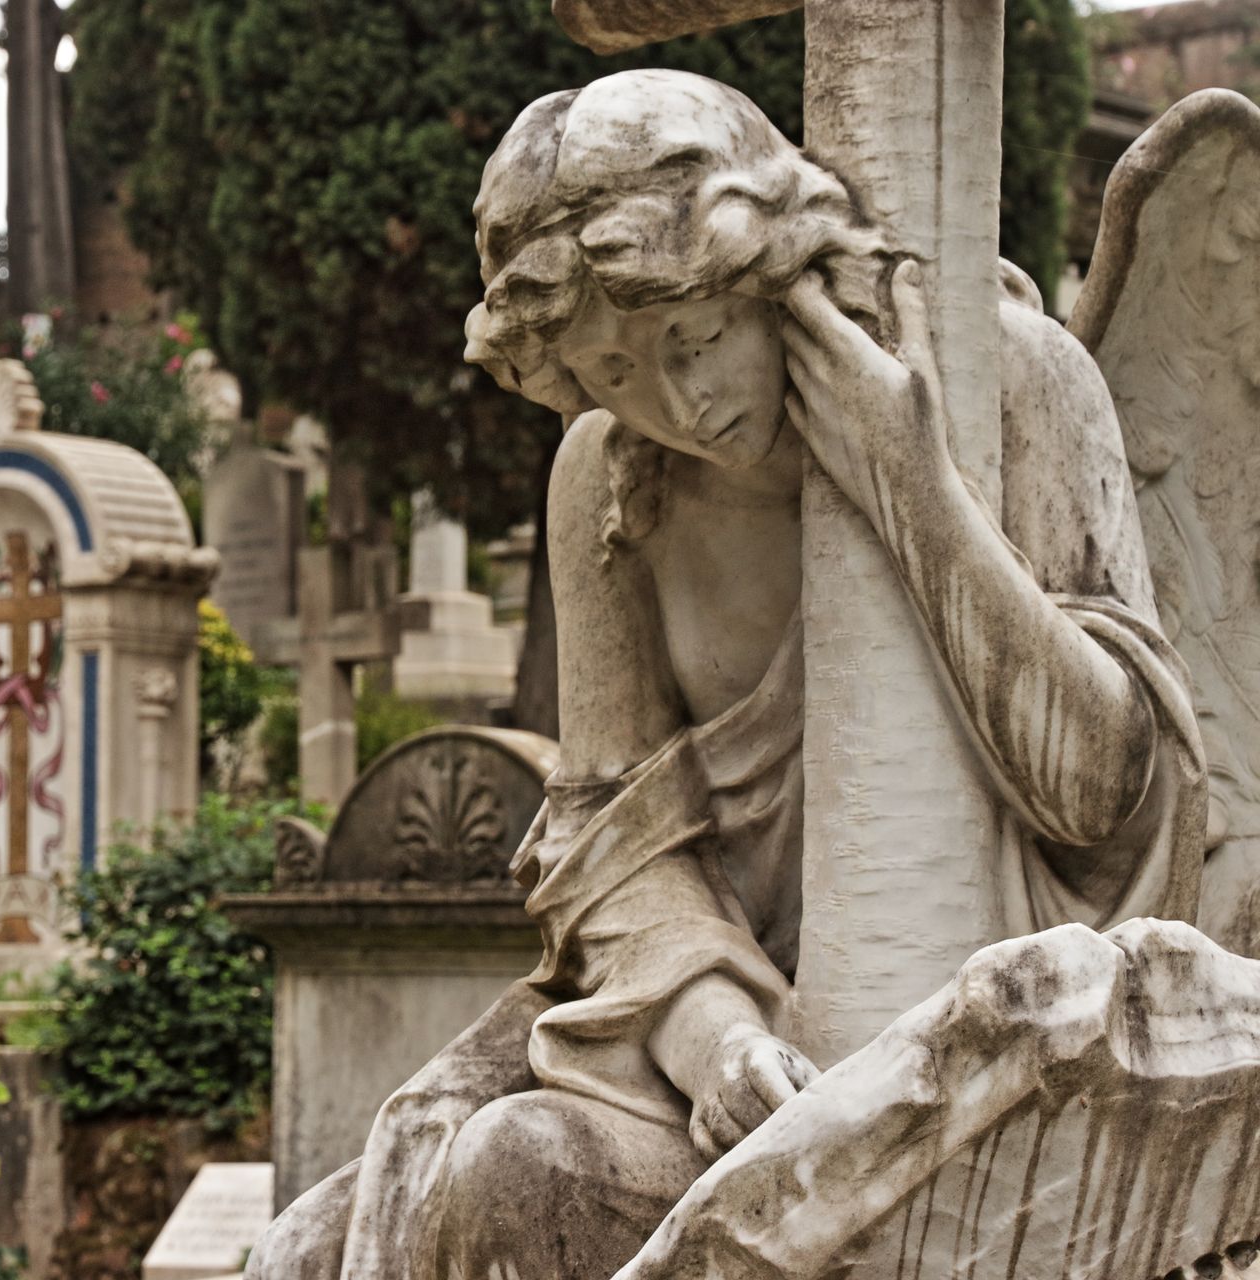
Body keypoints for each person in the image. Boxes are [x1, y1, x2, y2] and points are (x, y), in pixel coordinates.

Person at [247, 68, 1205, 1279]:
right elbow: (614, 849)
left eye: (694, 340)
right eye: (611, 372)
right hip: (736, 1033)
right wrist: (712, 1038)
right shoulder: (609, 482)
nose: (678, 404)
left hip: (1018, 1041)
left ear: (771, 268)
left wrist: (913, 486)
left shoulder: (1016, 382)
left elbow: (1102, 788)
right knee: (495, 1171)